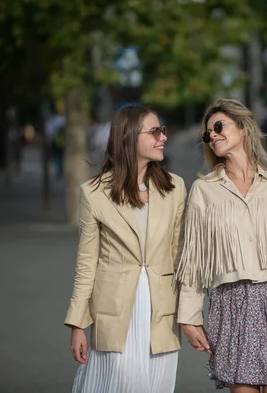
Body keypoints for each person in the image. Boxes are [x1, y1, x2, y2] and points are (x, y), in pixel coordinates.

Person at [176, 98, 267, 392]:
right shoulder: (203, 191)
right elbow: (193, 260)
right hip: (232, 303)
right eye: (208, 133)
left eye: (219, 127)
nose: (213, 135)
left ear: (243, 128)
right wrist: (189, 318)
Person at [64, 104, 186, 393]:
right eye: (155, 131)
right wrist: (77, 324)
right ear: (129, 137)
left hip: (162, 315)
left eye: (163, 130)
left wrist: (192, 316)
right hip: (114, 316)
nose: (163, 137)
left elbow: (181, 257)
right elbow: (86, 264)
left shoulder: (176, 188)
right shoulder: (94, 194)